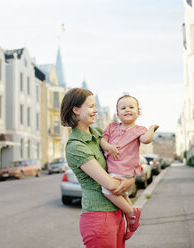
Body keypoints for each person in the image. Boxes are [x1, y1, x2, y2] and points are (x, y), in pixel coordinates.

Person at [60, 88, 135, 248]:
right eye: (91, 106)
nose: (96, 110)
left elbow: (125, 161)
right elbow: (110, 184)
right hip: (99, 217)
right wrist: (128, 182)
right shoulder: (76, 146)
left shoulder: (100, 134)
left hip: (116, 213)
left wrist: (130, 178)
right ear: (76, 110)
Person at [100, 94, 159, 235]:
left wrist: (151, 128)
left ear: (138, 112)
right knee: (123, 195)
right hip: (113, 168)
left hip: (124, 169)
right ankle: (130, 223)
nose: (127, 110)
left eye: (131, 107)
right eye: (123, 108)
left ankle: (132, 213)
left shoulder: (139, 130)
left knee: (106, 191)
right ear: (118, 114)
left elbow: (145, 140)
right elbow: (103, 141)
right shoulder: (111, 127)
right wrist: (109, 147)